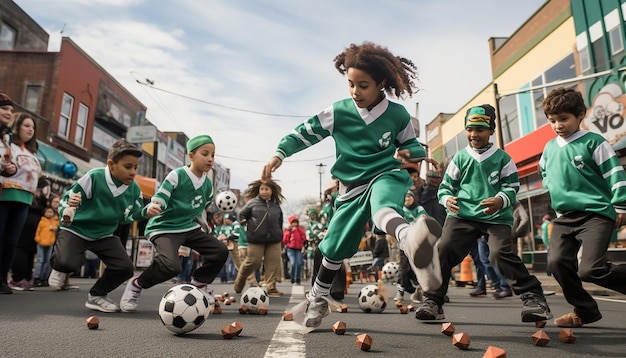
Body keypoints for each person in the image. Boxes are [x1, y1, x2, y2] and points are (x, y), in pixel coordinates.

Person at [263, 42, 440, 328]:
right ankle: (318, 298)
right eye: (350, 84)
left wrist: (417, 156)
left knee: (382, 204)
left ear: (381, 83)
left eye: (363, 85)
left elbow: (410, 146)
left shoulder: (398, 115)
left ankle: (410, 239)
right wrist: (280, 153)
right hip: (350, 187)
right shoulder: (338, 111)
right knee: (333, 247)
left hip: (385, 173)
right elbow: (304, 133)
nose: (355, 91)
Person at [416, 104, 552, 323]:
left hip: (495, 216)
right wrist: (446, 199)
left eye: (479, 129)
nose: (473, 134)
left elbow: (512, 186)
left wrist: (500, 200)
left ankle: (534, 298)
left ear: (490, 130)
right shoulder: (460, 158)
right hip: (463, 215)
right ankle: (434, 301)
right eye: (469, 129)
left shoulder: (503, 159)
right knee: (445, 248)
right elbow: (445, 188)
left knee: (498, 254)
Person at [539, 87, 626, 328]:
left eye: (564, 119)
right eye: (552, 121)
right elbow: (547, 176)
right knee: (557, 263)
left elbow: (615, 174)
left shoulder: (594, 142)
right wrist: (557, 205)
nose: (558, 125)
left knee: (590, 269)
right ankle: (585, 310)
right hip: (565, 217)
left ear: (580, 115)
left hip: (596, 214)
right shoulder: (548, 149)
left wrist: (620, 206)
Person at [120, 135, 229, 312]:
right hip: (164, 226)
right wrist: (156, 204)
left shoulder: (208, 185)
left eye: (213, 155)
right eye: (205, 154)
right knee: (172, 266)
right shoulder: (177, 175)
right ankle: (136, 285)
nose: (210, 159)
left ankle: (200, 283)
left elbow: (200, 208)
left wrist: (205, 225)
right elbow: (162, 195)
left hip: (188, 226)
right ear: (191, 156)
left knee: (220, 251)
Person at [49, 138, 159, 312]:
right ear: (111, 164)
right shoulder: (94, 177)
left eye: (135, 168)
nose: (133, 172)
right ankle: (59, 267)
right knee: (67, 263)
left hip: (104, 234)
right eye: (128, 167)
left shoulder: (134, 189)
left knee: (125, 268)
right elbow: (66, 200)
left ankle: (97, 296)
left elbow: (127, 217)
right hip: (76, 230)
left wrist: (146, 212)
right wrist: (67, 211)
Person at [0, 112, 41, 294]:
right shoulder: (7, 145)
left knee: (12, 241)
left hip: (25, 199)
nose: (30, 129)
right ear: (16, 126)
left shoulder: (32, 152)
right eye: (26, 125)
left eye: (32, 126)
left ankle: (2, 280)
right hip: (5, 194)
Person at [233, 179, 284, 297]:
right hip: (256, 238)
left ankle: (271, 287)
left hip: (274, 239)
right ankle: (240, 279)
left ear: (272, 191)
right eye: (262, 189)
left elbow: (280, 221)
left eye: (267, 189)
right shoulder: (252, 203)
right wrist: (244, 221)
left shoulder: (276, 205)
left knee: (272, 263)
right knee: (253, 262)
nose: (264, 191)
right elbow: (242, 214)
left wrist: (280, 234)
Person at [10, 178, 52, 290]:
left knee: (27, 250)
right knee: (23, 250)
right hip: (30, 225)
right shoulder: (35, 198)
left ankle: (24, 278)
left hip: (33, 226)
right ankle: (20, 278)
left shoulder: (39, 198)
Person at [33, 205, 58, 287]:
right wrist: (38, 239)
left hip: (50, 243)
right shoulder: (42, 221)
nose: (49, 213)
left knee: (47, 261)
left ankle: (44, 277)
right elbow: (38, 231)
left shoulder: (55, 221)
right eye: (47, 212)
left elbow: (58, 227)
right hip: (41, 243)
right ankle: (37, 277)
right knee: (40, 260)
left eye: (51, 212)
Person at [283, 215, 306, 285]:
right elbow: (284, 240)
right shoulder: (288, 230)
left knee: (299, 263)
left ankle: (297, 279)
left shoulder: (300, 230)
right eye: (293, 222)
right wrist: (289, 232)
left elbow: (304, 238)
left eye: (296, 222)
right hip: (290, 249)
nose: (295, 224)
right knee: (293, 263)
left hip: (298, 249)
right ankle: (292, 278)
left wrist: (303, 246)